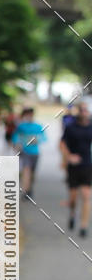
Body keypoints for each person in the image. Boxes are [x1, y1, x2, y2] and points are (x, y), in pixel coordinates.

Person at [60, 102, 92, 237]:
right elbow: (62, 144)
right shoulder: (71, 127)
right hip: (73, 166)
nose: (84, 112)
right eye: (82, 110)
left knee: (86, 195)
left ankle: (84, 226)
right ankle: (72, 213)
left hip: (87, 165)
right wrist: (68, 157)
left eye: (86, 110)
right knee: (73, 197)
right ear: (78, 112)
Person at [12, 106, 47, 200]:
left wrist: (37, 139)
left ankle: (29, 189)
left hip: (35, 153)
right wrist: (17, 144)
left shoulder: (38, 126)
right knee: (26, 170)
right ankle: (25, 191)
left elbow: (44, 138)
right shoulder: (21, 126)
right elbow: (15, 136)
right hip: (24, 152)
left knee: (32, 173)